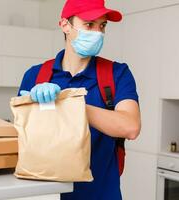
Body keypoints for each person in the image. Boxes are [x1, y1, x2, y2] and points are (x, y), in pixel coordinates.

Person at [17, 0, 141, 199]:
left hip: (101, 194)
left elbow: (130, 127)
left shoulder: (117, 74)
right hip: (44, 194)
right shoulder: (35, 76)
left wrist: (68, 104)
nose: (97, 33)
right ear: (65, 25)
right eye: (89, 25)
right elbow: (22, 139)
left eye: (102, 26)